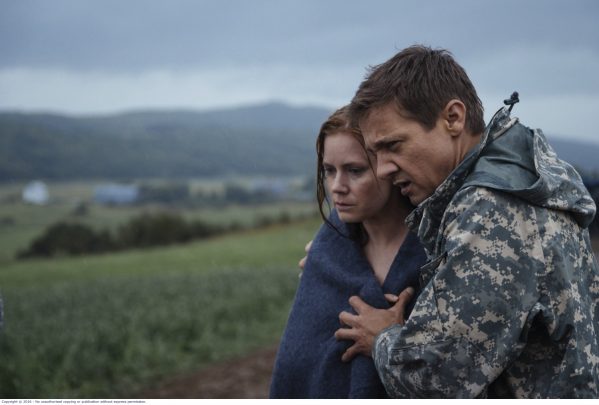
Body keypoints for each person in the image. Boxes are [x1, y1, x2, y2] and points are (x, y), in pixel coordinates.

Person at [333, 45, 599, 398]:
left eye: (393, 145)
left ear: (453, 118)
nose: (382, 169)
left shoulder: (491, 211)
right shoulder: (518, 180)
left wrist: (382, 337)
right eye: (375, 154)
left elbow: (436, 379)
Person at [269, 106, 427, 398]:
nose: (337, 187)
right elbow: (297, 366)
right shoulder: (327, 254)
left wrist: (398, 340)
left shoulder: (436, 254)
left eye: (355, 171)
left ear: (389, 167)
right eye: (329, 171)